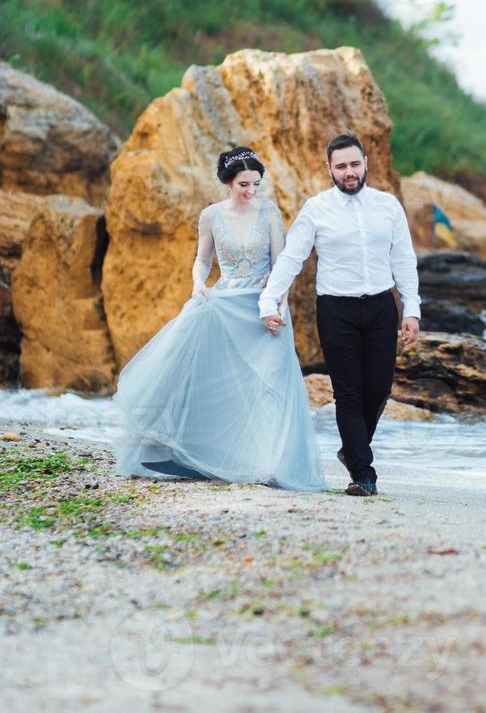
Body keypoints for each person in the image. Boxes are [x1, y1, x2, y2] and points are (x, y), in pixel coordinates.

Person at [110, 146, 326, 491]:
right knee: (221, 383)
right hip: (224, 303)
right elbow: (202, 260)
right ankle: (202, 453)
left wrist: (277, 306)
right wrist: (198, 283)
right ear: (228, 182)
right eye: (244, 184)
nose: (251, 191)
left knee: (270, 384)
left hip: (262, 306)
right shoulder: (210, 216)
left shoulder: (269, 212)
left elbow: (280, 265)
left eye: (256, 184)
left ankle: (271, 463)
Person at [259, 132, 421, 497]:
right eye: (341, 166)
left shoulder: (388, 206)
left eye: (354, 164)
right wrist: (269, 302)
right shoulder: (316, 209)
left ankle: (352, 449)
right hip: (336, 309)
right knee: (348, 393)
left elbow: (403, 260)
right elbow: (292, 258)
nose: (349, 172)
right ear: (329, 169)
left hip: (381, 306)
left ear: (366, 163)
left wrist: (412, 309)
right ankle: (363, 473)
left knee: (378, 389)